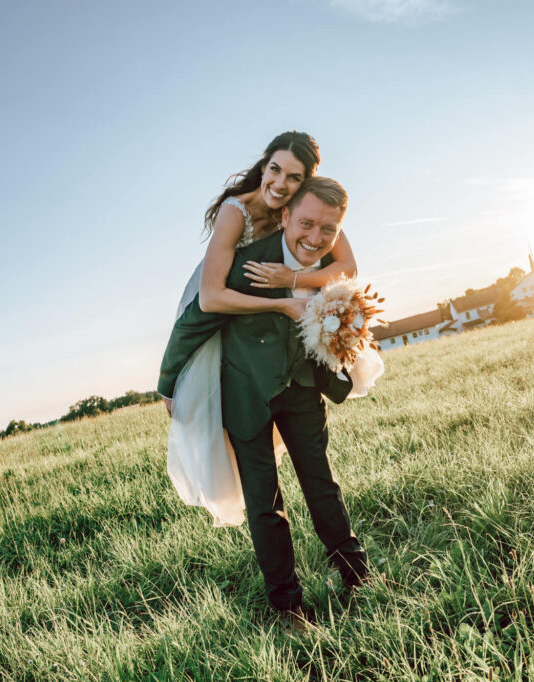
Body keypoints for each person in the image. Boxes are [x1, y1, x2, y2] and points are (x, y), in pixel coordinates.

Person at [159, 177, 369, 625]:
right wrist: (168, 383)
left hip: (303, 389)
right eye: (306, 224)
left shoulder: (326, 267)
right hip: (246, 394)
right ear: (286, 216)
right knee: (264, 502)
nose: (315, 238)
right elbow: (197, 319)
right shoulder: (247, 264)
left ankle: (356, 574)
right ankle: (288, 606)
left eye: (327, 231)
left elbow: (346, 283)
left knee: (321, 482)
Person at [165, 132, 361, 528]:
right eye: (275, 169)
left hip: (273, 323)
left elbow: (348, 267)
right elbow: (211, 299)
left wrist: (293, 278)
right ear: (264, 165)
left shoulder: (304, 209)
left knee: (315, 469)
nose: (280, 184)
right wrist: (283, 302)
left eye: (293, 177)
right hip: (220, 301)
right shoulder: (235, 212)